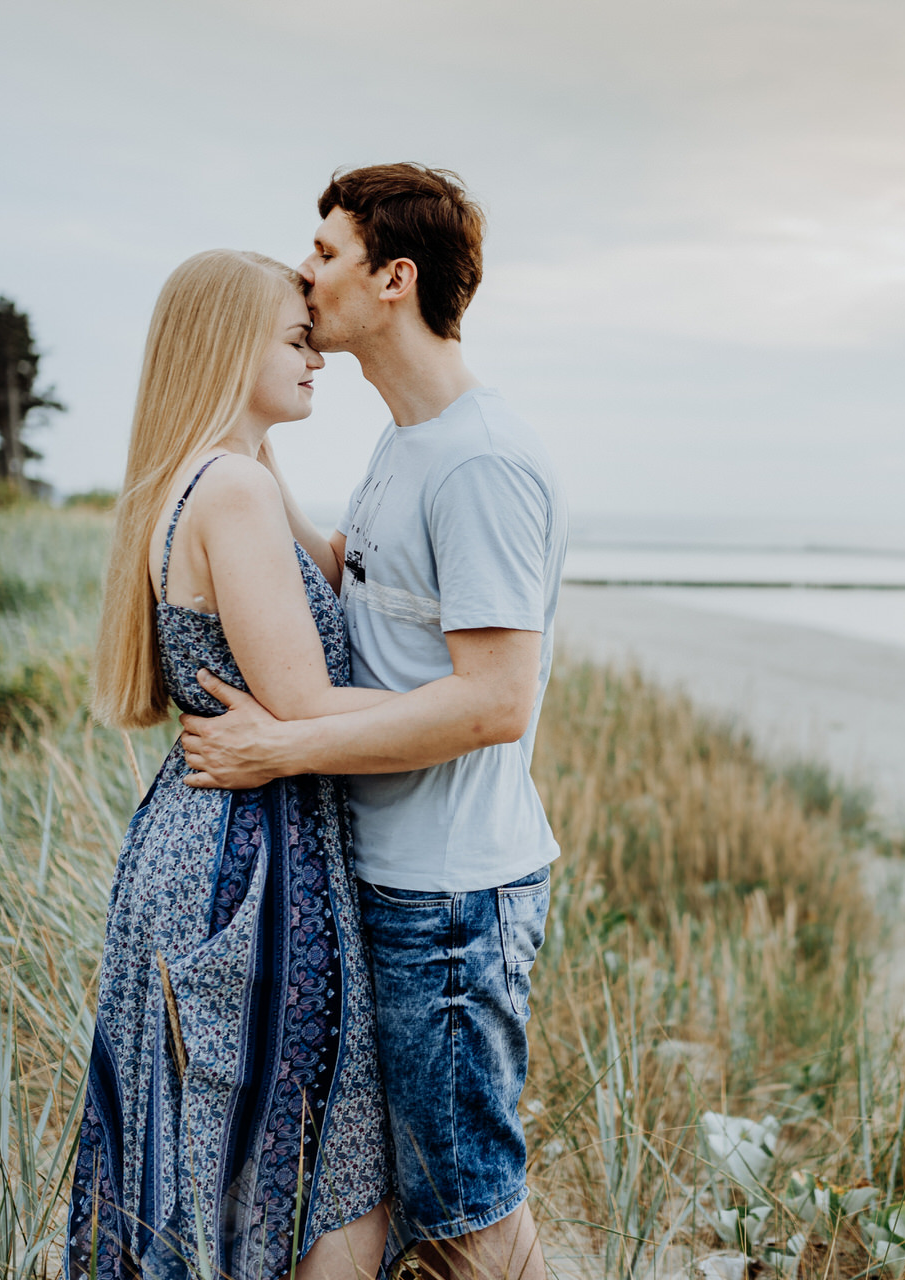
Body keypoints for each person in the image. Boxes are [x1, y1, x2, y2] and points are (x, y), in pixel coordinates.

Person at [178, 164, 566, 1280]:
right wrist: (240, 437)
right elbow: (361, 578)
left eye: (329, 253)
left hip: (450, 896)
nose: (307, 271)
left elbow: (497, 701)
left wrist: (280, 744)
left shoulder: (482, 460)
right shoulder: (410, 443)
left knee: (468, 1220)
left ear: (395, 279)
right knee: (422, 1210)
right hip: (395, 878)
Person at [69, 249, 404, 1280]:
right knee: (310, 1172)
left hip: (213, 841)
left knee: (208, 1174)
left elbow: (341, 560)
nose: (320, 360)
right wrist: (470, 710)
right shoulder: (229, 490)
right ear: (228, 346)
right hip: (249, 861)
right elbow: (302, 703)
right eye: (298, 340)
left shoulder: (231, 474)